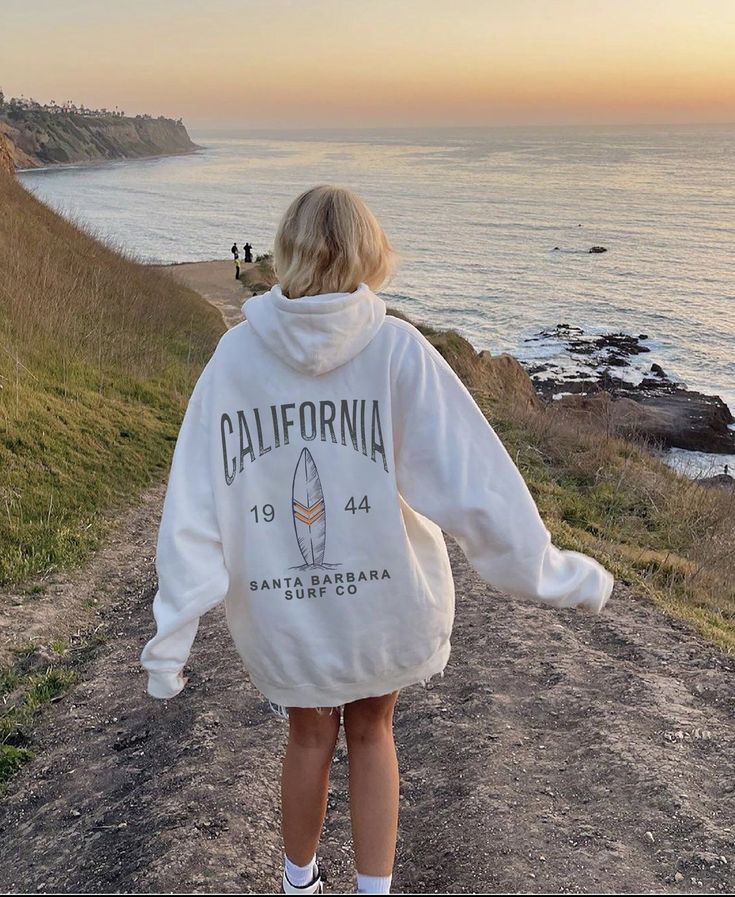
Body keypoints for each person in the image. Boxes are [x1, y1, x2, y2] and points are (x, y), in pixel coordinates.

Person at [140, 185, 614, 895]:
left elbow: (193, 504)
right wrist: (551, 571)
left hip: (282, 605)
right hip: (385, 597)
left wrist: (171, 635)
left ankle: (299, 882)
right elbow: (471, 477)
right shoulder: (395, 348)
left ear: (288, 250)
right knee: (371, 731)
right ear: (369, 250)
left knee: (306, 733)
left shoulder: (236, 359)